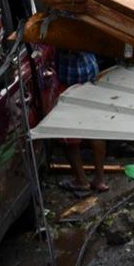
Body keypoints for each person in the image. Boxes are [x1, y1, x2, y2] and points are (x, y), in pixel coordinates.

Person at [55, 48, 107, 194]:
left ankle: (81, 180)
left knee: (68, 136)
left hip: (71, 81)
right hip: (90, 75)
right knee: (96, 130)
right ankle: (100, 180)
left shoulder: (63, 28)